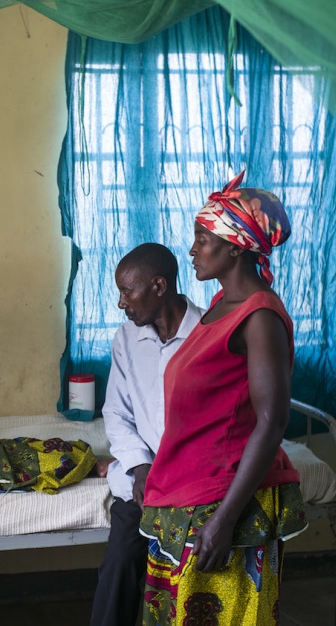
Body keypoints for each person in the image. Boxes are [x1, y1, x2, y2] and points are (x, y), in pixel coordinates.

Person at [139, 171, 308, 626]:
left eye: (202, 238)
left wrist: (226, 520)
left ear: (236, 246)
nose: (192, 249)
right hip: (191, 493)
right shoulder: (219, 307)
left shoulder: (259, 317)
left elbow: (272, 422)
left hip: (221, 502)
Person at [90, 243, 204, 626]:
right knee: (120, 565)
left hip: (191, 482)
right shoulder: (126, 338)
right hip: (143, 482)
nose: (121, 302)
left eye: (127, 291)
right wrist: (140, 468)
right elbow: (116, 412)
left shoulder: (205, 337)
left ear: (158, 286)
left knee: (188, 584)